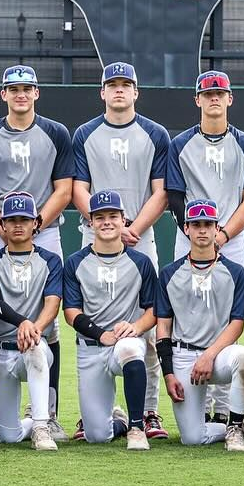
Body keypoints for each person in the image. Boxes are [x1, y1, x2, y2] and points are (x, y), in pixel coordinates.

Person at [71, 62, 170, 439]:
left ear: (136, 91)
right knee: (94, 318)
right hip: (94, 233)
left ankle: (148, 412)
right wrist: (105, 225)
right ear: (102, 92)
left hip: (140, 237)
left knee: (147, 324)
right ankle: (95, 411)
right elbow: (79, 186)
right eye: (111, 84)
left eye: (125, 84)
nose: (118, 90)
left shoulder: (154, 133)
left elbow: (160, 190)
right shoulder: (85, 133)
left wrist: (133, 228)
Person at [0, 65, 73, 439]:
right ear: (3, 94)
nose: (20, 94)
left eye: (27, 88)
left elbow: (63, 187)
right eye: (13, 89)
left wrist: (36, 223)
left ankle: (48, 411)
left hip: (42, 228)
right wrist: (2, 224)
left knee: (49, 323)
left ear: (36, 93)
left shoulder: (55, 132)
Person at [166, 70, 244, 427]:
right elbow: (175, 197)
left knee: (228, 315)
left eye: (219, 93)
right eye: (207, 93)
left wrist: (222, 235)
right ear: (198, 100)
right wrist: (198, 235)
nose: (214, 99)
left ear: (229, 98)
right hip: (190, 236)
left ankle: (227, 409)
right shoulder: (180, 144)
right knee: (189, 314)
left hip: (232, 239)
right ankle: (197, 395)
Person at [157, 199, 244, 451]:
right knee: (192, 438)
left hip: (218, 354)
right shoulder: (169, 274)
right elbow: (163, 329)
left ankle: (234, 427)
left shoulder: (235, 272)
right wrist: (168, 373)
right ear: (185, 228)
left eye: (207, 224)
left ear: (216, 228)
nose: (201, 230)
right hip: (184, 355)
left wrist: (209, 355)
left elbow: (238, 324)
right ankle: (237, 425)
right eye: (195, 224)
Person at [62, 189, 159, 450]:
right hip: (91, 347)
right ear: (90, 221)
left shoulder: (141, 262)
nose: (107, 222)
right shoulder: (75, 262)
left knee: (130, 348)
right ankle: (120, 422)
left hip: (126, 341)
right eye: (100, 216)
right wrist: (99, 334)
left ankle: (137, 427)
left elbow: (153, 311)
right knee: (96, 435)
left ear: (123, 220)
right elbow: (71, 313)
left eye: (113, 216)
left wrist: (136, 327)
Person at [0, 191, 64, 451]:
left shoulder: (50, 260)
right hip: (1, 352)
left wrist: (34, 329)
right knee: (9, 436)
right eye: (12, 219)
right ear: (2, 224)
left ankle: (41, 425)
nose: (18, 225)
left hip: (31, 346)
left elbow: (52, 304)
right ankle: (28, 424)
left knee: (37, 349)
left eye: (25, 219)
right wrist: (23, 323)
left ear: (36, 224)